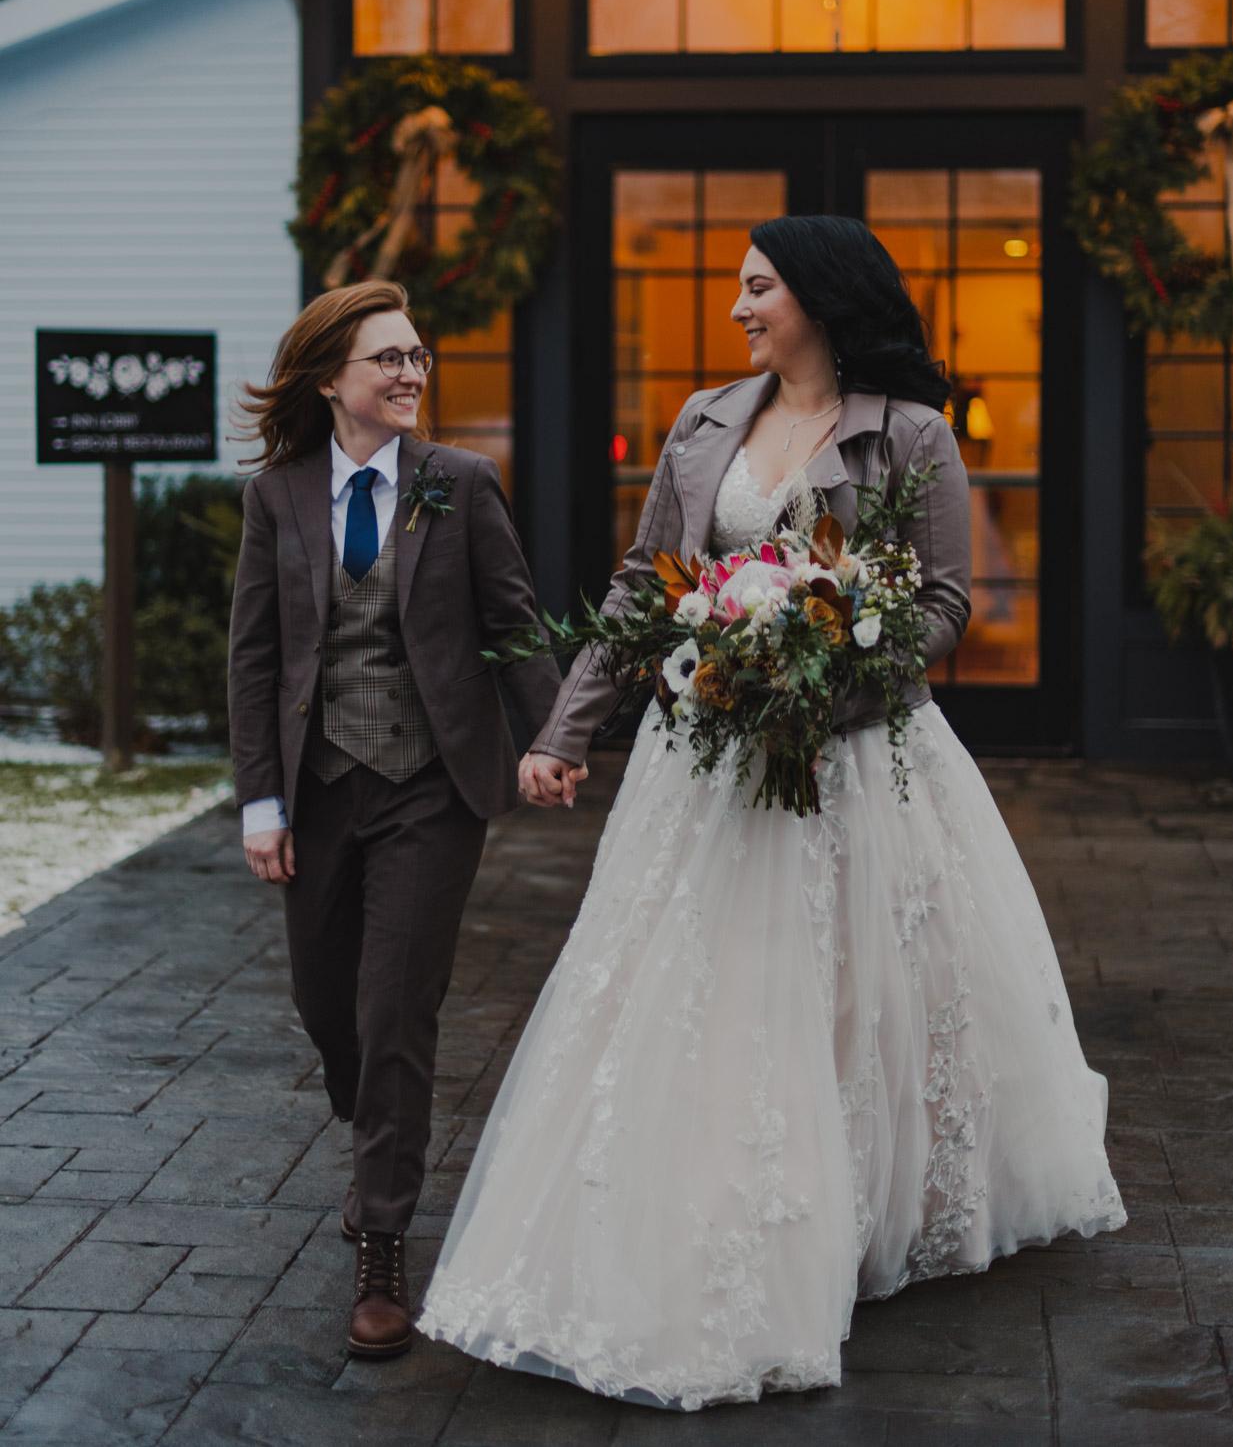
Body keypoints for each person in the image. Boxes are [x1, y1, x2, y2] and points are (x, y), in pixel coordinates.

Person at [419, 216, 1125, 1409]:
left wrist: (828, 673)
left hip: (852, 757)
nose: (741, 306)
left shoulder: (910, 433)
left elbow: (944, 601)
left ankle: (849, 1211)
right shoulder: (704, 420)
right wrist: (563, 728)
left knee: (861, 983)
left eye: (760, 287)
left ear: (820, 296)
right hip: (700, 762)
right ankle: (729, 1198)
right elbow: (646, 584)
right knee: (714, 980)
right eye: (741, 288)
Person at [227, 280, 560, 1361]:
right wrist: (261, 802)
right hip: (319, 788)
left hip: (432, 785)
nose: (412, 373)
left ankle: (380, 1239)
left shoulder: (461, 484)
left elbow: (512, 624)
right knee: (331, 1011)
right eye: (389, 358)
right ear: (333, 379)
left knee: (397, 1011)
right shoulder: (276, 496)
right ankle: (367, 1096)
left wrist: (551, 736)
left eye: (418, 356)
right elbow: (254, 658)